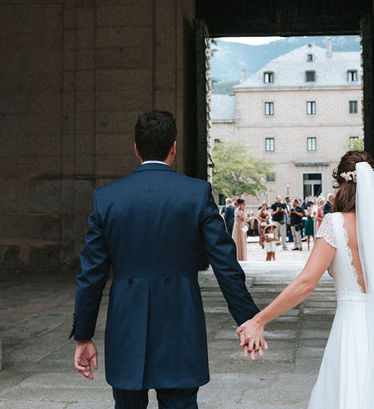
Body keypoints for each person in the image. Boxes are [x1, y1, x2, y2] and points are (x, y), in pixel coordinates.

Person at [71, 110, 261, 409]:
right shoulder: (196, 193)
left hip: (126, 324)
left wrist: (83, 335)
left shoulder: (107, 198)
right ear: (174, 147)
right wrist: (249, 319)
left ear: (135, 149)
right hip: (180, 323)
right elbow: (225, 264)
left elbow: (91, 275)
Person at [237, 151, 374, 408]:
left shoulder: (335, 224)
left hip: (353, 330)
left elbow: (306, 283)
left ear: (342, 185)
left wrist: (259, 320)